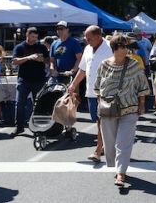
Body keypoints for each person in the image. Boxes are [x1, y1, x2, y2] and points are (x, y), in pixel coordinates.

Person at [93, 35, 150, 187]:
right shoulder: (104, 65)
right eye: (123, 47)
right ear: (115, 49)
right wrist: (100, 103)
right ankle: (116, 166)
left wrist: (142, 104)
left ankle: (121, 173)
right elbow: (97, 87)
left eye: (127, 47)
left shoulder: (133, 65)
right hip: (108, 110)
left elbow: (142, 85)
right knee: (110, 143)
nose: (126, 50)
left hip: (129, 109)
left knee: (123, 142)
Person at [69, 26, 113, 162]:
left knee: (102, 121)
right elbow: (82, 69)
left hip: (106, 92)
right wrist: (73, 85)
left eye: (89, 39)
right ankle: (107, 145)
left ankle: (98, 150)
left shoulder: (110, 47)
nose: (87, 41)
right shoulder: (87, 48)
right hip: (90, 92)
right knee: (98, 121)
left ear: (98, 36)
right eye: (86, 39)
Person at [11, 27, 49, 135]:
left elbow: (48, 60)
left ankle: (39, 127)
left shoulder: (41, 47)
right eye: (32, 37)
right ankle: (19, 127)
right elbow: (14, 62)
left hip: (39, 79)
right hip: (24, 80)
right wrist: (29, 57)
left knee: (38, 104)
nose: (34, 39)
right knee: (19, 104)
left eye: (36, 37)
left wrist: (42, 60)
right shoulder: (20, 47)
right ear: (27, 35)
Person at [50, 21, 83, 87]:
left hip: (72, 78)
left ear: (67, 30)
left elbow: (79, 58)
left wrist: (72, 71)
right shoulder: (54, 43)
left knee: (72, 96)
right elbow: (52, 60)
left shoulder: (74, 42)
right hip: (58, 77)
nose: (59, 31)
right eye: (58, 29)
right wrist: (53, 70)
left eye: (61, 28)